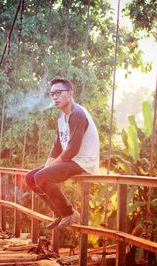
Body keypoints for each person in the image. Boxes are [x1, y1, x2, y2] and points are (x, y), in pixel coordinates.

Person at [25, 76, 100, 230]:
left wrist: (49, 167)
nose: (54, 97)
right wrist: (47, 164)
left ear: (70, 92)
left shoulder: (77, 114)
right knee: (31, 178)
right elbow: (58, 145)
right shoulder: (62, 117)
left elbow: (73, 149)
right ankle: (60, 213)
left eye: (58, 92)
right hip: (70, 161)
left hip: (83, 162)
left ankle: (69, 213)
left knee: (41, 176)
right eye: (52, 94)